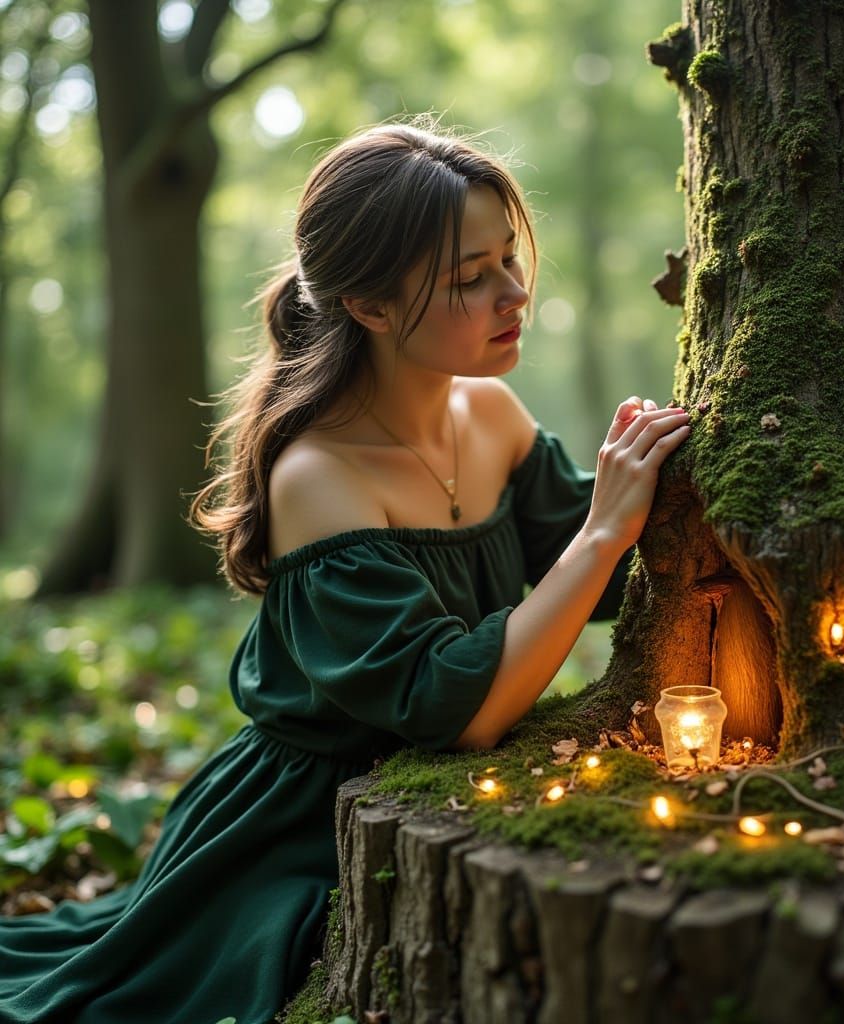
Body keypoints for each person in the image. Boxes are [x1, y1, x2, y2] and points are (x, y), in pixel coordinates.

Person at [0, 118, 691, 1024]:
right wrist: (602, 530)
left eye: (508, 259)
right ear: (367, 307)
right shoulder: (320, 478)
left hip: (422, 796)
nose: (513, 293)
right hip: (295, 827)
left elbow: (598, 595)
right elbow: (464, 710)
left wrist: (656, 498)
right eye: (466, 280)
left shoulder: (491, 411)